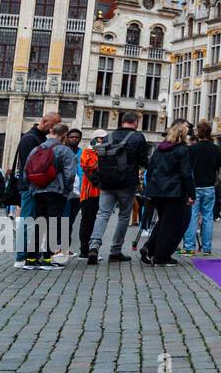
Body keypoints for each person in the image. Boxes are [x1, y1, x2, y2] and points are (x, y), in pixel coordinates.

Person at [87, 111, 150, 266]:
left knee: (102, 214)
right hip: (126, 183)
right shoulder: (138, 137)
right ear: (135, 122)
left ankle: (94, 245)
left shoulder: (108, 136)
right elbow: (143, 160)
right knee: (123, 216)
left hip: (106, 182)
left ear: (122, 122)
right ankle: (115, 250)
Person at [23, 122, 77, 270]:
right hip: (56, 191)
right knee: (53, 224)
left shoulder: (37, 148)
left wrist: (31, 187)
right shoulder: (64, 150)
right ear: (64, 135)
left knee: (39, 223)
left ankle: (31, 259)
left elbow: (26, 170)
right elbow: (70, 174)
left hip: (37, 191)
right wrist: (67, 190)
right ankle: (47, 259)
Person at [141, 120, 195, 267]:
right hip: (174, 191)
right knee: (172, 225)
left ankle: (150, 248)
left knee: (164, 221)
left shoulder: (159, 149)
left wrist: (150, 188)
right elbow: (186, 174)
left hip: (157, 191)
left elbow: (151, 169)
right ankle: (161, 256)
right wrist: (191, 193)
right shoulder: (183, 150)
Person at [11, 110, 60, 268]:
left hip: (36, 187)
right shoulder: (29, 139)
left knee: (34, 221)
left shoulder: (39, 138)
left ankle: (30, 255)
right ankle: (21, 257)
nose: (52, 130)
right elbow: (31, 166)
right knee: (27, 221)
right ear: (45, 122)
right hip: (29, 187)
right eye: (52, 126)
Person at [183, 122, 221, 256]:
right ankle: (207, 248)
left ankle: (189, 247)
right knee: (207, 217)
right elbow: (218, 166)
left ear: (198, 133)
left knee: (192, 217)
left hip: (195, 186)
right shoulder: (216, 149)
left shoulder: (192, 149)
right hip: (209, 186)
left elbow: (187, 168)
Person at [76, 134, 103, 258]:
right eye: (99, 139)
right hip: (88, 193)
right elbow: (90, 165)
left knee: (97, 222)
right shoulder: (87, 152)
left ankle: (93, 249)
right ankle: (84, 250)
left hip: (102, 193)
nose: (101, 142)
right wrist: (102, 155)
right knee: (87, 221)